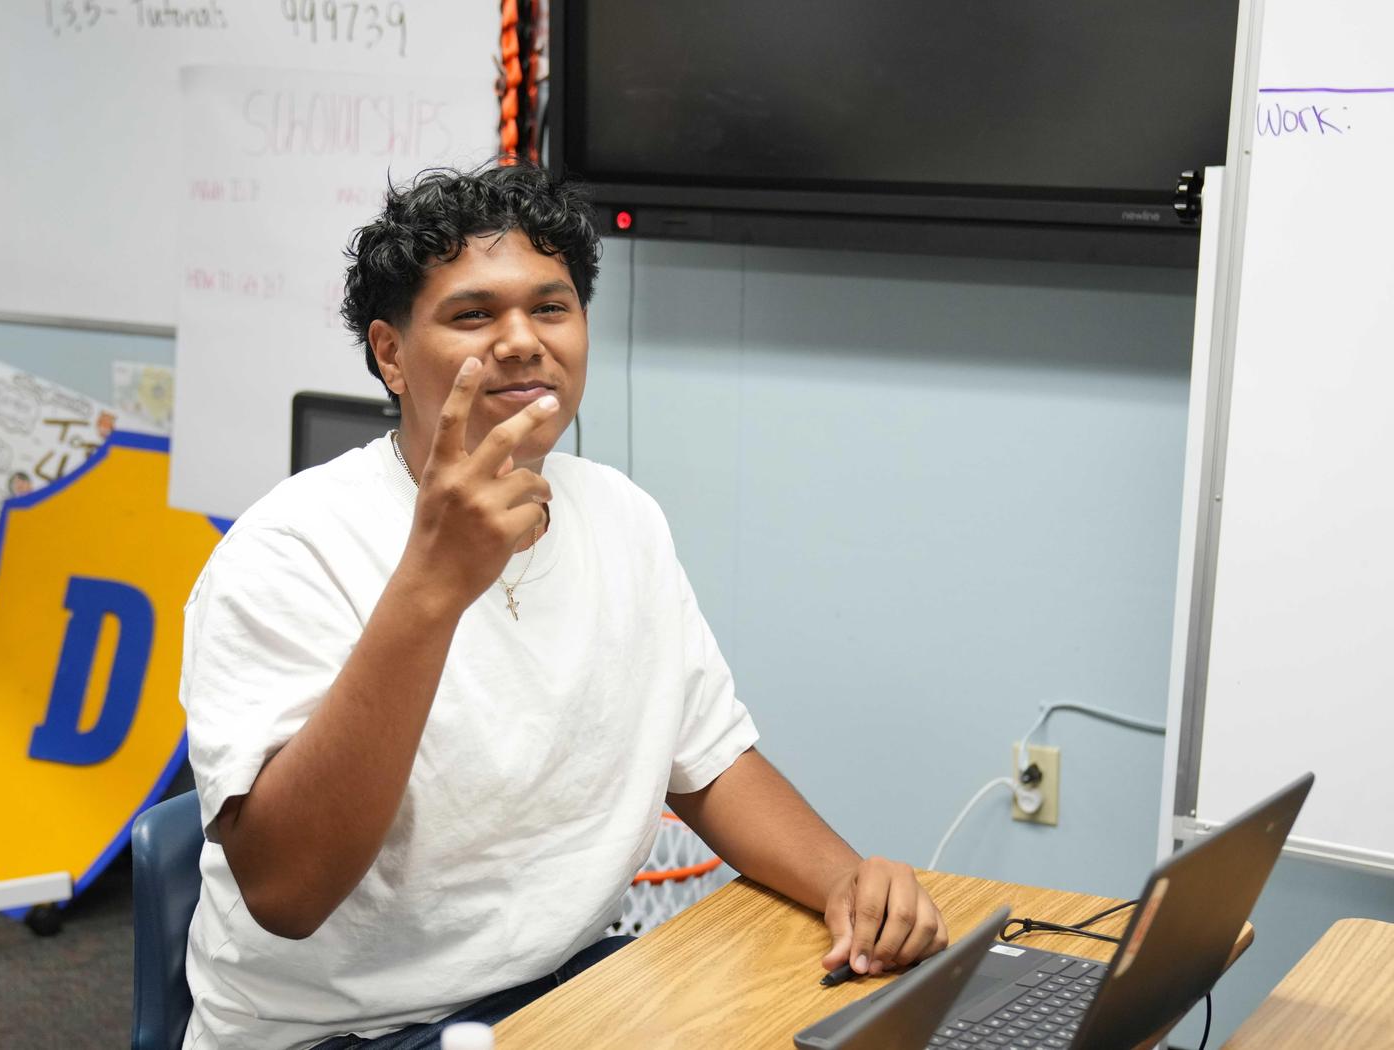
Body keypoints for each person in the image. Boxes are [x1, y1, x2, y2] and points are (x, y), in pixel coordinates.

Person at [178, 163, 947, 1050]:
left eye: (551, 308)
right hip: (347, 1031)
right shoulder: (289, 549)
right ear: (390, 354)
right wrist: (430, 589)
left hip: (564, 995)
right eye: (473, 314)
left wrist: (847, 881)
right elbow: (287, 893)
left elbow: (708, 759)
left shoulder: (620, 515)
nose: (520, 341)